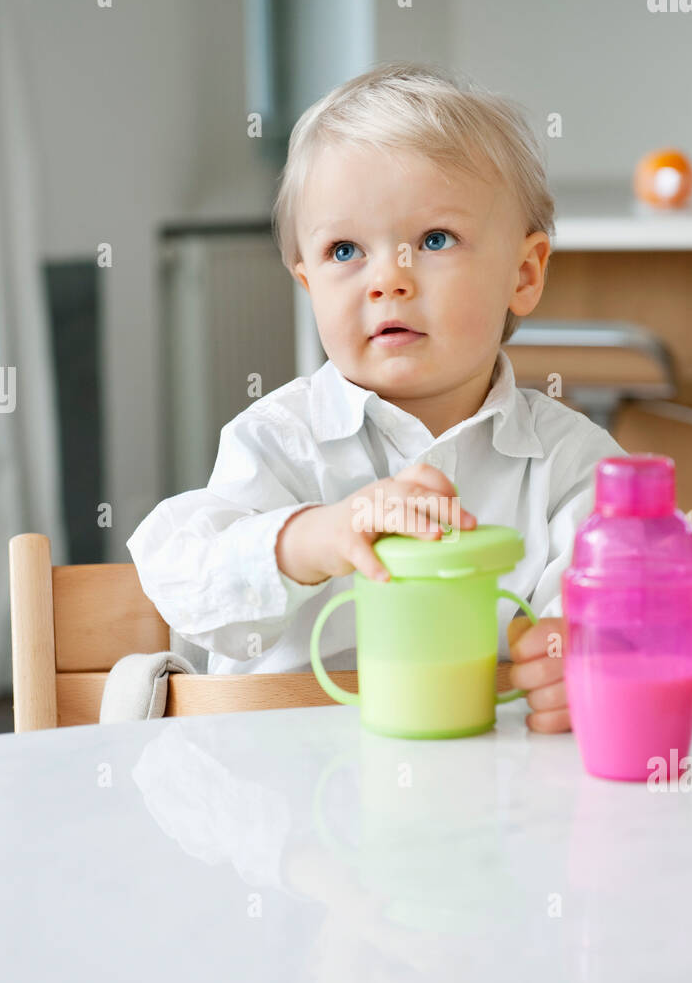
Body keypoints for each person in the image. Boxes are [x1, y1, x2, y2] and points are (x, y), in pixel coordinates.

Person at [127, 61, 624, 733]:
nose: (388, 279)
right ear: (307, 287)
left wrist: (586, 662)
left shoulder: (573, 466)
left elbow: (614, 615)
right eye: (343, 251)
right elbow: (183, 575)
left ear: (525, 273)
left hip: (494, 805)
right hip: (289, 810)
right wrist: (319, 535)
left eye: (435, 239)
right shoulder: (276, 441)